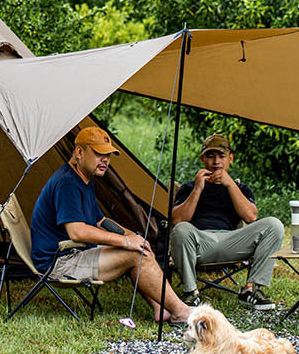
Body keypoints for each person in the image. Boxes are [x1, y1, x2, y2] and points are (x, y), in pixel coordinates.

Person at [30, 126, 191, 325]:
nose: (105, 160)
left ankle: (161, 308)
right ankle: (181, 312)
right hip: (59, 262)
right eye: (99, 154)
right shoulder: (67, 184)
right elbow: (77, 231)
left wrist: (132, 236)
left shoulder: (83, 179)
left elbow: (100, 221)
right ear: (80, 152)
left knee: (138, 247)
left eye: (108, 155)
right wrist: (125, 242)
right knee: (134, 253)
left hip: (73, 254)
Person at [171, 133, 284, 311]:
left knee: (274, 225)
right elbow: (177, 220)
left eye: (221, 156)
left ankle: (251, 289)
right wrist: (198, 189)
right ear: (203, 159)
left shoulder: (240, 188)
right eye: (210, 156)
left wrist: (230, 184)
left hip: (232, 241)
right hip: (199, 242)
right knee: (181, 229)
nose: (216, 161)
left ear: (230, 159)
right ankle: (190, 293)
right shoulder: (189, 187)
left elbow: (250, 217)